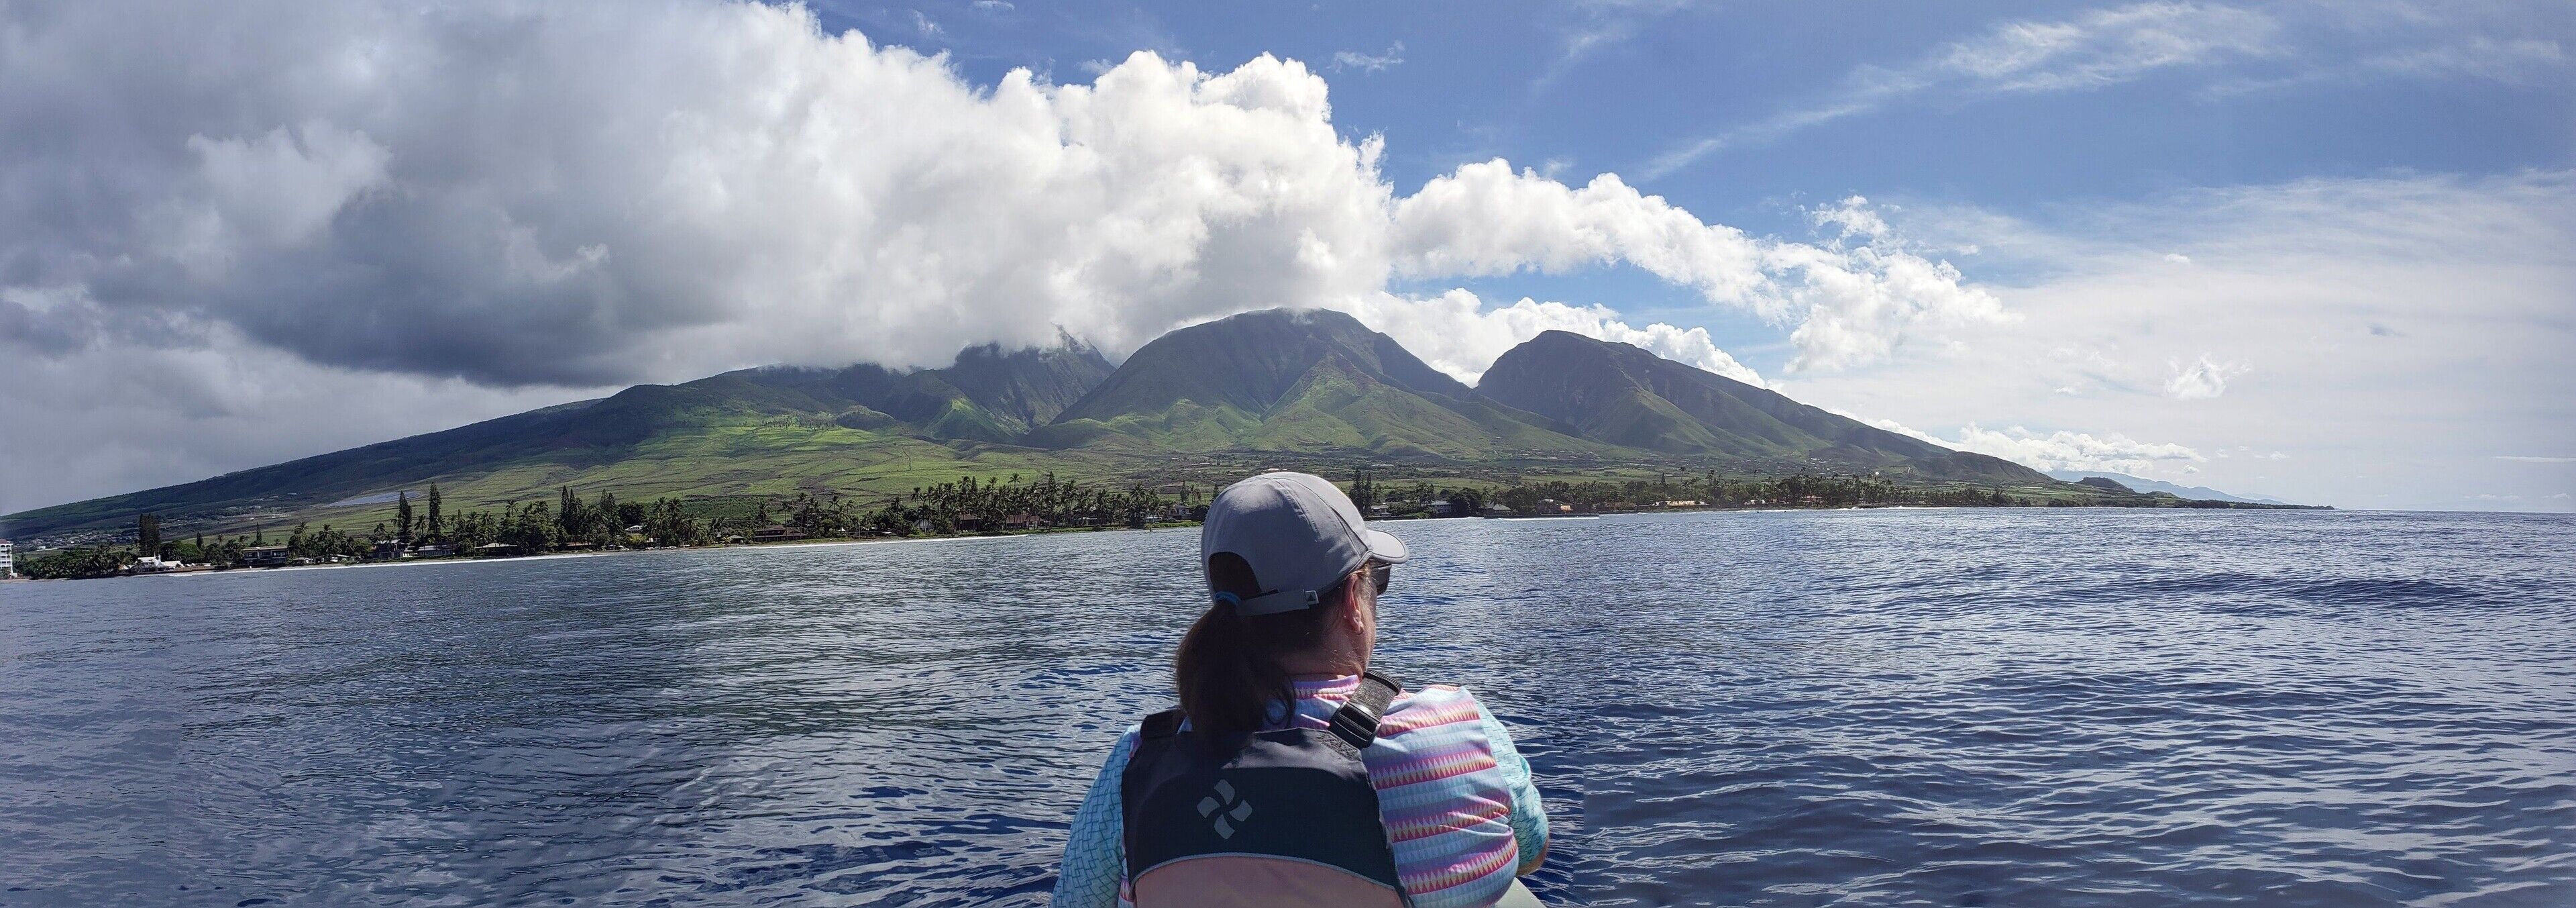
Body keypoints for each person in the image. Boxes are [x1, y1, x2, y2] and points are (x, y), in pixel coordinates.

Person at [1052, 471, 1548, 908]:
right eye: (1378, 581)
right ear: (1354, 599)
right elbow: (1531, 849)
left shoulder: (1138, 762)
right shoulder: (1460, 733)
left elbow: (1076, 900)